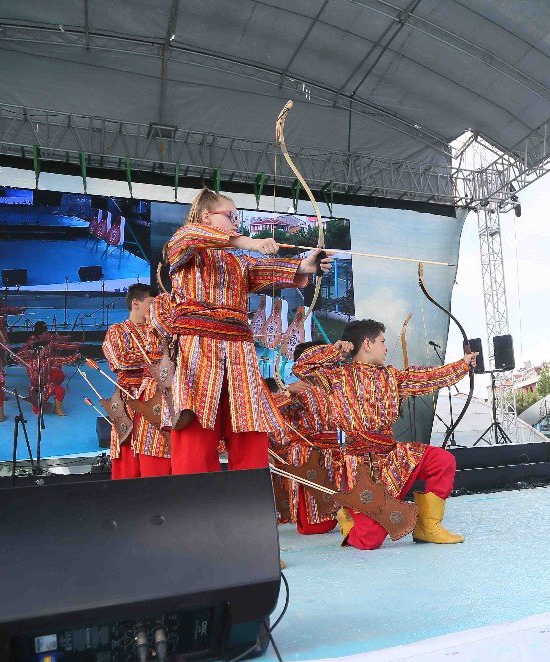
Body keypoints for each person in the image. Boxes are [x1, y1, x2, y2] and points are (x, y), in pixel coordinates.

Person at [161, 188, 331, 475]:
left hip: (240, 357)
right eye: (230, 216)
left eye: (237, 217)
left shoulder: (238, 262)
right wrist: (250, 242)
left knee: (249, 433)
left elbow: (266, 271)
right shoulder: (184, 243)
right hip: (198, 355)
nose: (236, 222)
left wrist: (303, 265)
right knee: (195, 440)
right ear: (206, 217)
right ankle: (193, 510)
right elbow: (190, 236)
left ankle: (251, 505)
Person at [321, 318, 477, 550]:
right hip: (361, 466)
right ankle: (349, 515)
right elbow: (302, 367)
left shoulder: (391, 377)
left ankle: (427, 526)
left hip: (393, 456)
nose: (385, 348)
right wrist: (333, 350)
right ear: (367, 344)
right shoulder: (335, 376)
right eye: (382, 342)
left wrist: (463, 364)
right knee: (368, 542)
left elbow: (428, 378)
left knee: (442, 460)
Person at [270, 340, 350, 534]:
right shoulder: (297, 388)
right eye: (322, 360)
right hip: (308, 455)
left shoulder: (334, 386)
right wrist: (288, 392)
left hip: (335, 451)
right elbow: (268, 410)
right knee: (316, 525)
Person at [102, 284, 172, 479]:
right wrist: (157, 356)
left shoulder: (161, 331)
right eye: (151, 303)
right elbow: (120, 359)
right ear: (136, 303)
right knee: (128, 462)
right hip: (129, 402)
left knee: (159, 456)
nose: (155, 310)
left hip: (157, 401)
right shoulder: (118, 331)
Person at [17, 322, 81, 416]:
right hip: (36, 389)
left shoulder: (48, 359)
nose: (46, 350)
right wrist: (29, 350)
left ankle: (57, 408)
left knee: (60, 389)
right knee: (37, 411)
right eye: (43, 349)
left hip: (48, 385)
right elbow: (16, 356)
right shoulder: (29, 361)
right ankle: (38, 403)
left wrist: (75, 356)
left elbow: (62, 359)